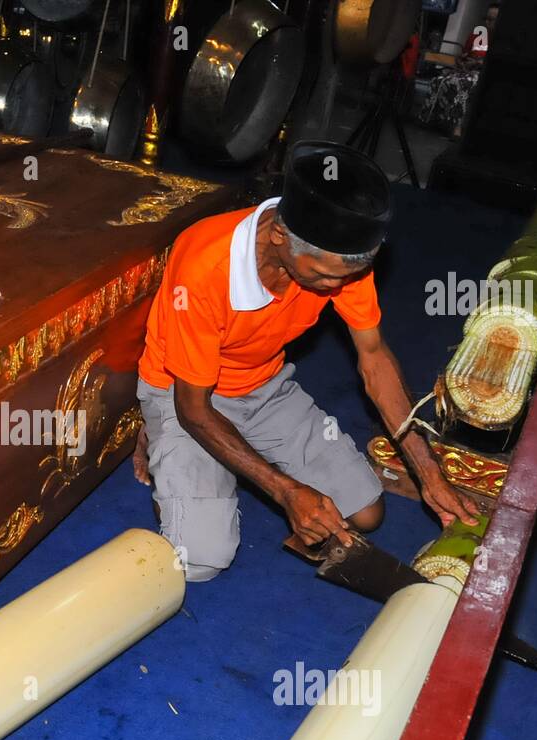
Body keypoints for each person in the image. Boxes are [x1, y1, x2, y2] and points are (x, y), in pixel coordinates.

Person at [132, 140, 478, 582]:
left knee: (365, 512)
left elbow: (374, 361)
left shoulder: (341, 259)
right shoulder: (204, 267)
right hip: (185, 394)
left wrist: (429, 473)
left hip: (261, 384)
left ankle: (210, 465)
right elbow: (194, 409)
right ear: (279, 235)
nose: (338, 286)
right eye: (326, 275)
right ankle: (163, 442)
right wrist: (285, 490)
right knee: (199, 559)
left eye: (349, 277)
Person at [417, 2, 499, 138]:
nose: (487, 22)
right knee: (439, 80)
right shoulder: (479, 34)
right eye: (486, 18)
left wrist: (478, 63)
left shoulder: (501, 40)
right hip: (467, 71)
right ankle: (430, 118)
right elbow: (465, 53)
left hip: (483, 74)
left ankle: (457, 126)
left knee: (464, 84)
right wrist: (462, 60)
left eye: (491, 20)